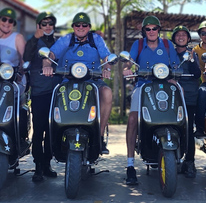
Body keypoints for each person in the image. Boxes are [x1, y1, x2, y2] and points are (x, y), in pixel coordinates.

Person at [42, 12, 113, 155]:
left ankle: (99, 137)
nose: (81, 27)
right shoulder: (66, 39)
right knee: (56, 95)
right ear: (73, 27)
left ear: (89, 27)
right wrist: (46, 64)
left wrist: (107, 68)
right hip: (68, 80)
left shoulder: (96, 39)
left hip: (93, 80)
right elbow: (51, 54)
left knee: (107, 93)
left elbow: (106, 57)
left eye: (84, 25)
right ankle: (57, 136)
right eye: (77, 25)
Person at [124, 15, 174, 186]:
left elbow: (175, 65)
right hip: (143, 87)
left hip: (165, 87)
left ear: (159, 30)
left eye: (155, 28)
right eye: (148, 29)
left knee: (180, 109)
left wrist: (175, 77)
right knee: (132, 119)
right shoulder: (137, 45)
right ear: (143, 31)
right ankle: (130, 165)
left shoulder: (168, 45)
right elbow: (129, 62)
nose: (152, 31)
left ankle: (181, 154)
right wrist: (126, 68)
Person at [23, 11, 60, 182]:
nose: (47, 26)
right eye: (43, 24)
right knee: (39, 131)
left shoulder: (59, 43)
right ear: (38, 26)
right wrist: (34, 39)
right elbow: (26, 57)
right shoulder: (32, 42)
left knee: (52, 131)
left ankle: (47, 164)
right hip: (39, 92)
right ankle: (37, 166)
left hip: (56, 92)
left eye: (50, 24)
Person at [170, 25, 201, 178]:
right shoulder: (169, 53)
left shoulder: (191, 53)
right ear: (174, 38)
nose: (181, 37)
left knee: (188, 129)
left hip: (188, 96)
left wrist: (192, 60)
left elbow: (196, 74)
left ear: (188, 39)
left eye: (184, 35)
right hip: (170, 96)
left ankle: (189, 162)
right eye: (178, 35)